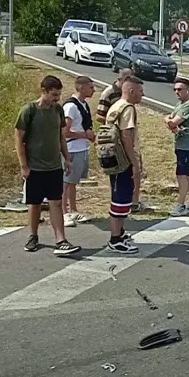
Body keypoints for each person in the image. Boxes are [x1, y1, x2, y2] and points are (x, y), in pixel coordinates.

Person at [14, 75, 82, 255]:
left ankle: (61, 239)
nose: (57, 98)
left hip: (54, 166)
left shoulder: (58, 110)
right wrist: (24, 166)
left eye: (59, 95)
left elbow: (61, 136)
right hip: (34, 167)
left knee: (56, 202)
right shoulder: (29, 110)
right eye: (54, 94)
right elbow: (19, 140)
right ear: (43, 91)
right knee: (34, 204)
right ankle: (33, 236)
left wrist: (66, 158)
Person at [103, 76, 145, 254]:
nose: (143, 95)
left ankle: (119, 233)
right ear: (131, 91)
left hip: (111, 157)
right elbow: (126, 137)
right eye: (141, 92)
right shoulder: (128, 109)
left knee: (118, 194)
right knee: (121, 199)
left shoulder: (115, 106)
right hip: (122, 159)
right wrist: (134, 163)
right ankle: (115, 239)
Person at [164, 78, 189, 217]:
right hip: (183, 145)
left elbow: (172, 122)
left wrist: (169, 122)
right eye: (175, 89)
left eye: (180, 89)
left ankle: (181, 204)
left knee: (181, 175)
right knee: (188, 175)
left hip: (187, 146)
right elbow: (170, 119)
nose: (176, 92)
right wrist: (169, 121)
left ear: (188, 90)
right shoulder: (180, 104)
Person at [62, 76, 96, 227]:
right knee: (65, 182)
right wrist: (84, 135)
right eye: (90, 87)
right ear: (81, 88)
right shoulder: (71, 106)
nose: (93, 90)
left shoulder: (84, 105)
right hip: (71, 148)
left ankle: (73, 209)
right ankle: (63, 212)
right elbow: (64, 131)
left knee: (73, 182)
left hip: (81, 147)